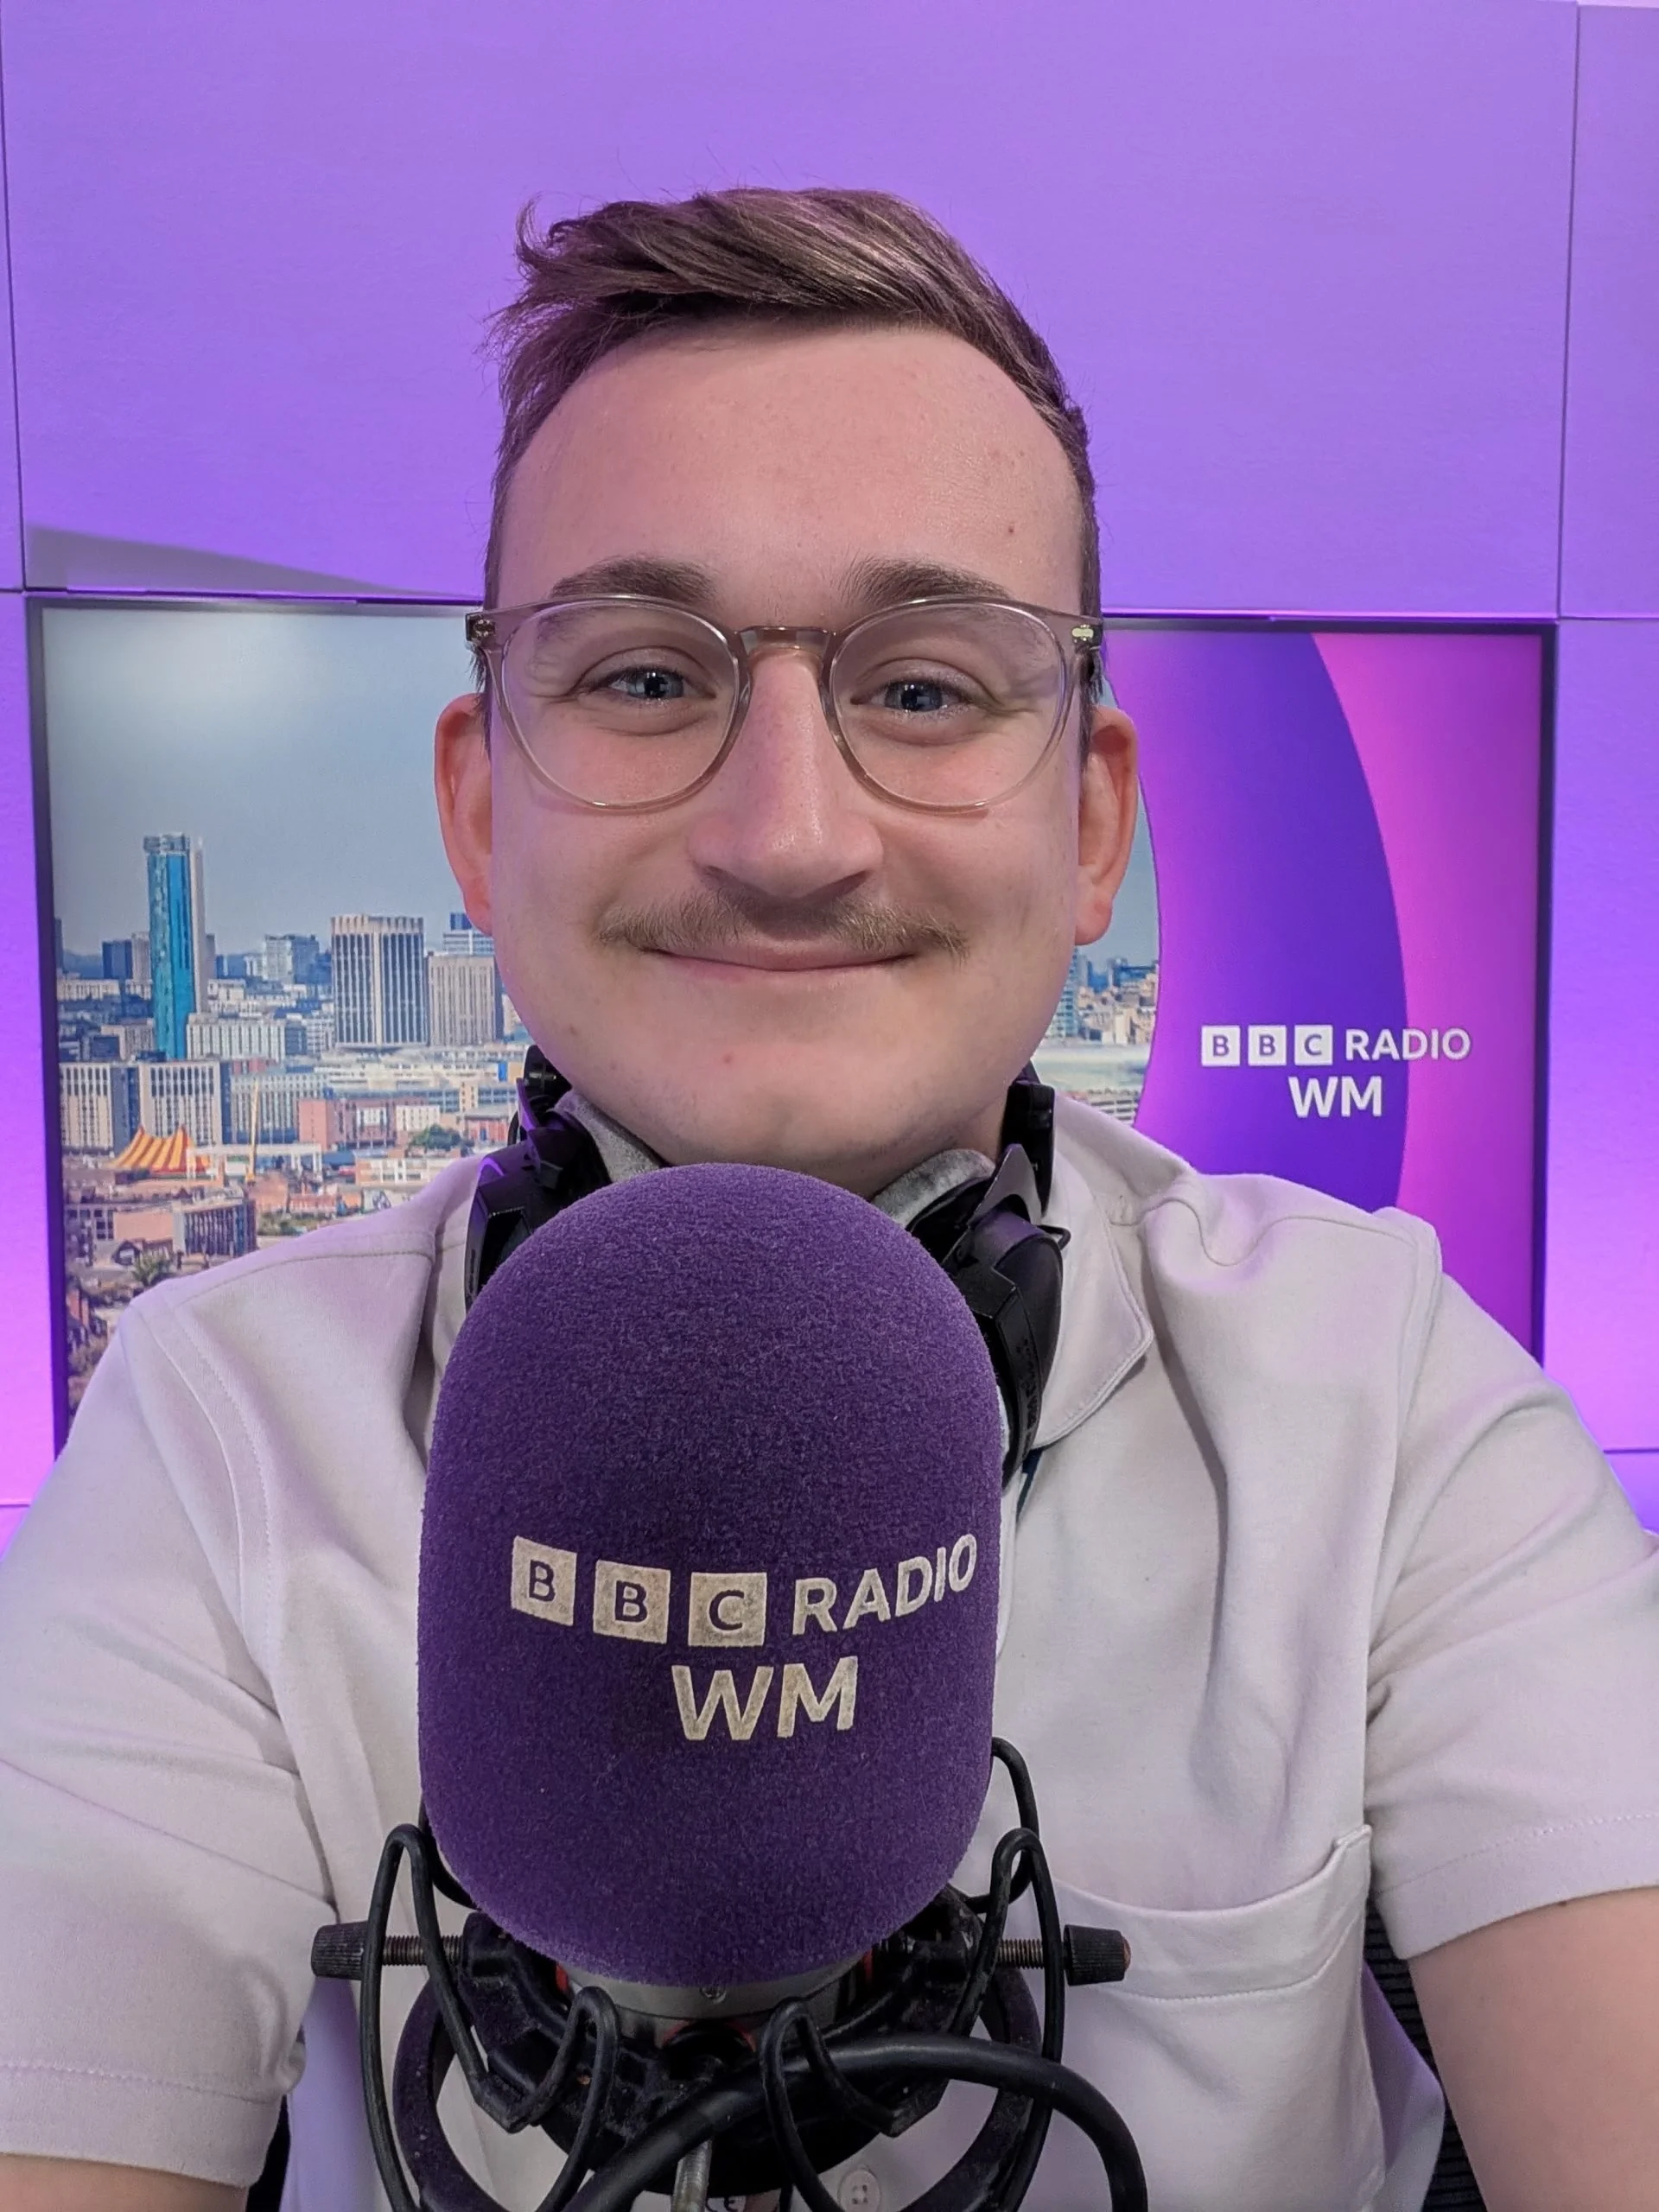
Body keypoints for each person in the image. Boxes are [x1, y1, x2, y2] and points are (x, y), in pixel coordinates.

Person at [1, 186, 1656, 2212]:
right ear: (472, 798)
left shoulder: (1388, 1403)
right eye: (639, 678)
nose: (785, 830)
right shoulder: (212, 1422)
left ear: (1094, 819)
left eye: (927, 685)